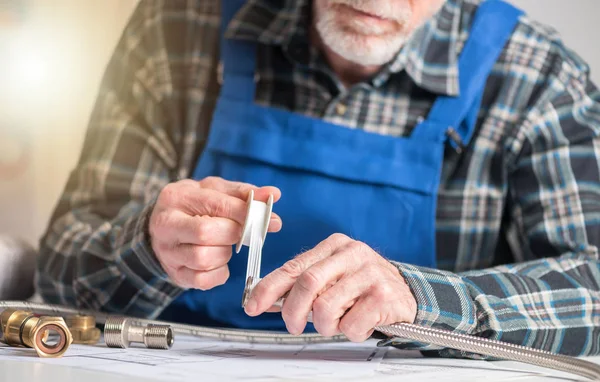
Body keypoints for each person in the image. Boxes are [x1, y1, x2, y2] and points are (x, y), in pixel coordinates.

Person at [36, 0, 600, 359]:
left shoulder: (536, 78)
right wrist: (147, 246)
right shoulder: (180, 23)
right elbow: (61, 263)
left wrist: (421, 300)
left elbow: (592, 290)